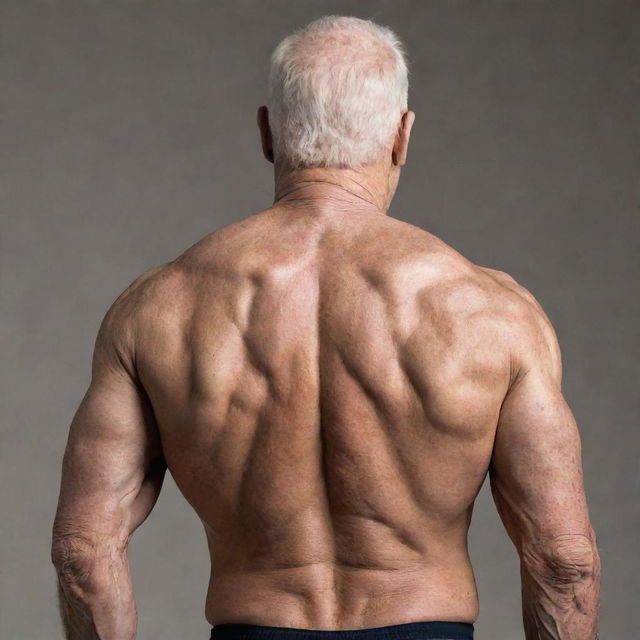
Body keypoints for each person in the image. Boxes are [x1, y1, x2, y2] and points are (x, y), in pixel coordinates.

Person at [51, 15, 601, 640]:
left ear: (268, 133)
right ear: (401, 136)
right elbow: (563, 562)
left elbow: (83, 552)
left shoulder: (159, 308)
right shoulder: (492, 312)